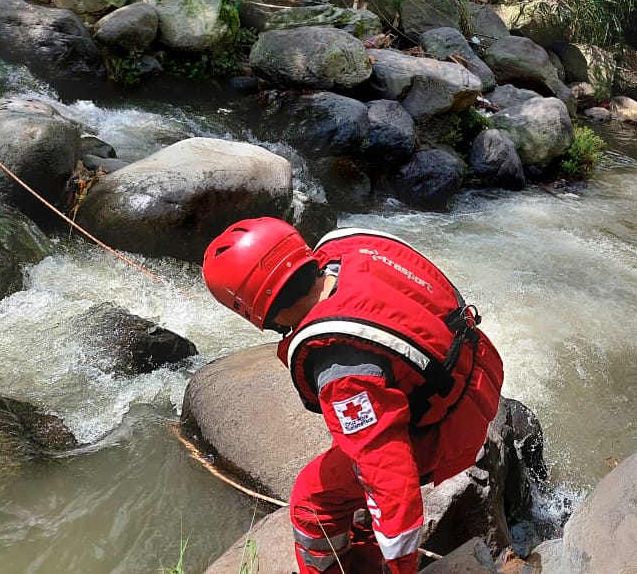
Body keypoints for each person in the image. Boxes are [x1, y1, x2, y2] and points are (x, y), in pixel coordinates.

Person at [202, 219, 504, 574]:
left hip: (451, 423)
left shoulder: (341, 368)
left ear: (250, 309)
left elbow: (391, 480)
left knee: (310, 502)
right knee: (354, 469)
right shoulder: (349, 249)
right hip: (475, 366)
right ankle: (363, 551)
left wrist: (401, 564)